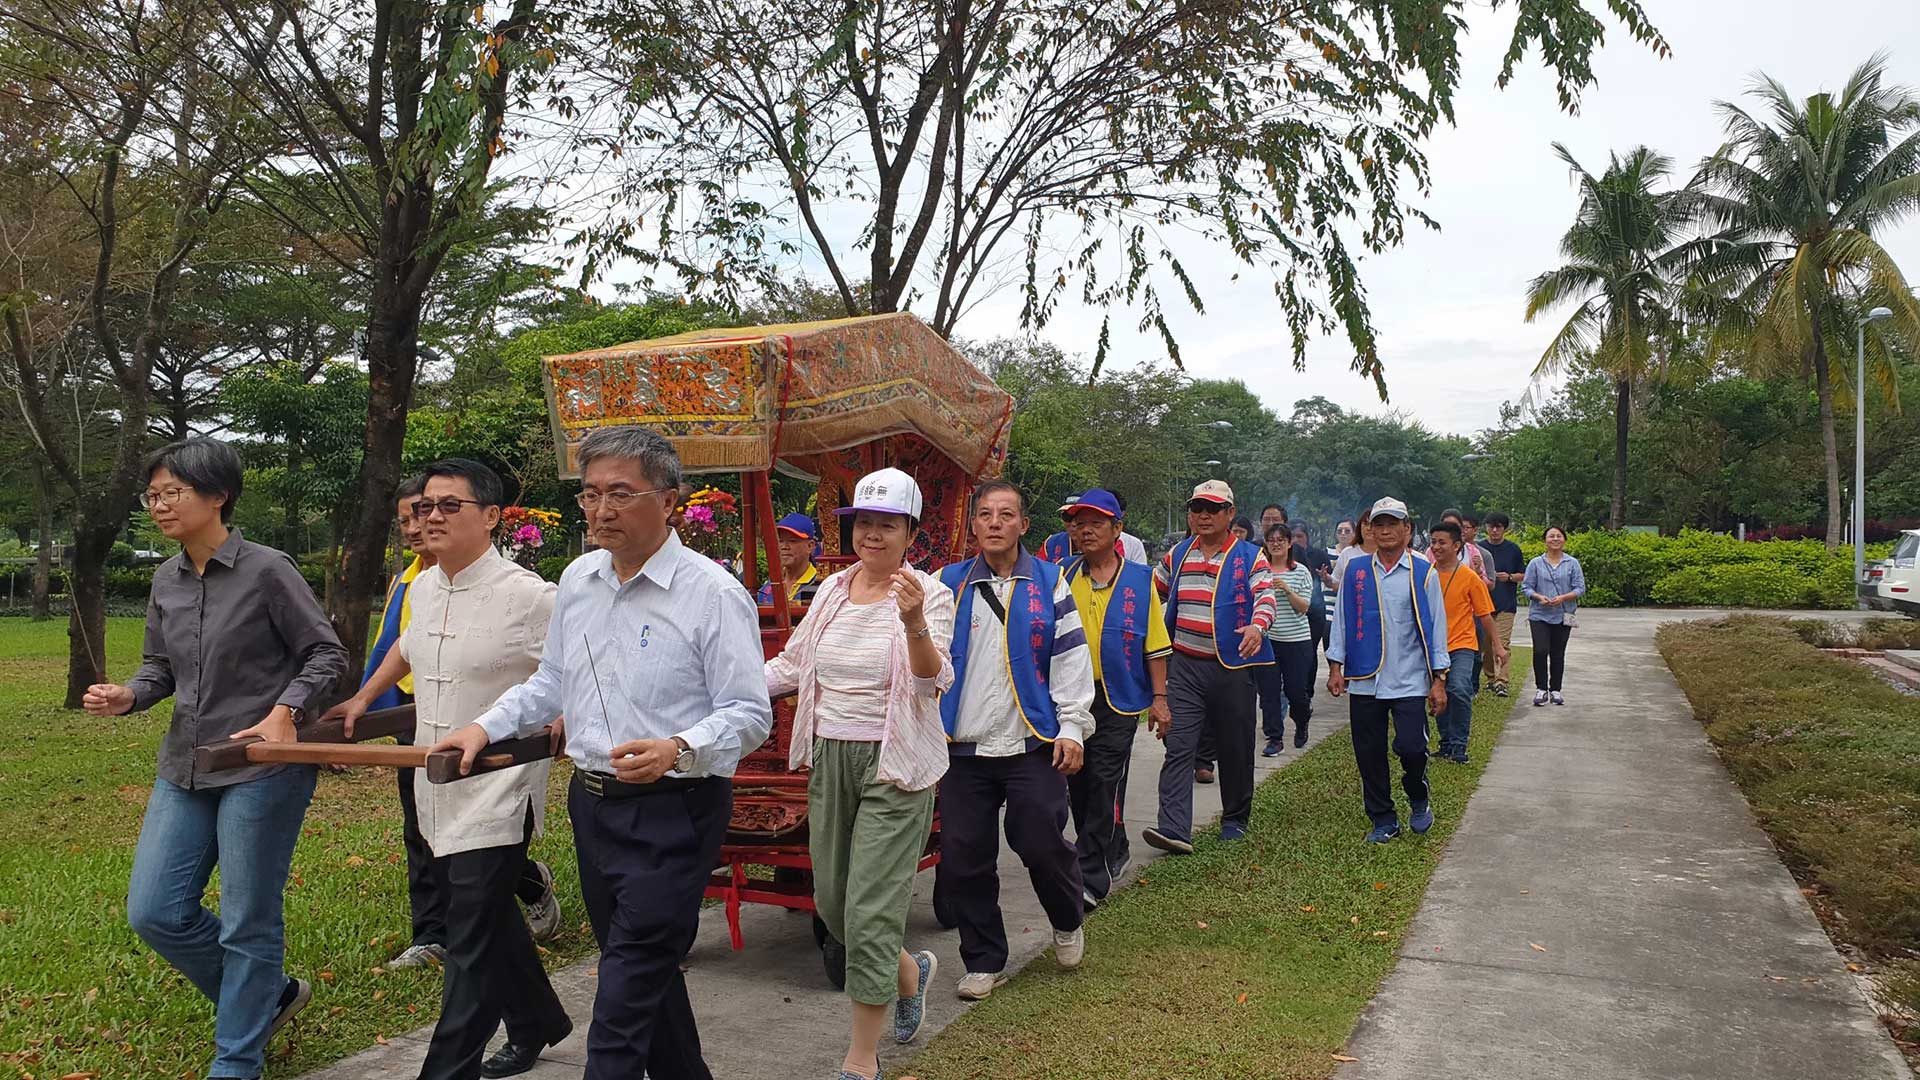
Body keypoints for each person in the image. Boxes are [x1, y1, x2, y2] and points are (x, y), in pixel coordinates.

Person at [434, 426, 774, 1080]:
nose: (600, 510)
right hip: (592, 808)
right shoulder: (579, 580)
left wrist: (679, 747)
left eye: (621, 493)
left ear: (671, 500)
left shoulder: (711, 593)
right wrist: (483, 727)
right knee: (642, 972)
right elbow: (552, 681)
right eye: (590, 495)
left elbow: (749, 713)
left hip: (677, 810)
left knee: (620, 1001)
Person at [84, 438, 347, 1080]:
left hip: (262, 763)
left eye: (171, 492)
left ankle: (237, 1061)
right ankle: (270, 996)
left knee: (246, 920)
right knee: (155, 911)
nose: (159, 505)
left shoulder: (268, 569)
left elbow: (326, 654)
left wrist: (287, 710)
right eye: (152, 495)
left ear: (217, 495)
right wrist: (130, 694)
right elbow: (157, 667)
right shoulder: (165, 579)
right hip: (187, 764)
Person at [330, 458, 571, 1080]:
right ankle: (539, 1019)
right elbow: (404, 648)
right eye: (423, 507)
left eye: (448, 506)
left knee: (468, 930)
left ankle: (446, 1070)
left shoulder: (533, 596)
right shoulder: (424, 586)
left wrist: (570, 714)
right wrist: (363, 697)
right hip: (433, 777)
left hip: (498, 781)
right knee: (486, 912)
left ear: (491, 517)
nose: (430, 516)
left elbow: (574, 670)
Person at [764, 468, 956, 1080]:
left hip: (896, 763)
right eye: (863, 523)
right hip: (830, 756)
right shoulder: (830, 591)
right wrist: (721, 693)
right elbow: (792, 665)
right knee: (832, 903)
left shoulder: (930, 593)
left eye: (886, 524)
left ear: (909, 531)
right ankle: (908, 972)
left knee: (870, 912)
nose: (872, 534)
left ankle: (861, 1057)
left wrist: (913, 620)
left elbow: (931, 681)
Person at [936, 480, 1096, 1001]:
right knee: (963, 857)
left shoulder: (1049, 582)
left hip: (1032, 741)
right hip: (962, 748)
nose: (995, 523)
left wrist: (1071, 727)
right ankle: (983, 959)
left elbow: (1071, 660)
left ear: (1024, 526)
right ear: (974, 525)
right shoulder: (948, 582)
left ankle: (1068, 917)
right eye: (985, 514)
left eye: (1007, 514)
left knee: (1041, 843)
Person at [1142, 480, 1277, 855]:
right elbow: (1154, 596)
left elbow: (1265, 595)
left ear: (1229, 514)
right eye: (1197, 507)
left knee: (1235, 747)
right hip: (1185, 666)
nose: (1203, 514)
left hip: (1232, 668)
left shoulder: (1251, 556)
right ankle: (1173, 829)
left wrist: (1257, 624)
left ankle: (1234, 818)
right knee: (1179, 745)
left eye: (1212, 508)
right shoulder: (1178, 554)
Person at [1057, 490, 1172, 909]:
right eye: (1078, 523)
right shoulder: (1062, 575)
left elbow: (1156, 646)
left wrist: (1159, 699)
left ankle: (1090, 876)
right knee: (1077, 782)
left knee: (1105, 780)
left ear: (1117, 530)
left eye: (1096, 523)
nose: (1085, 530)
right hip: (1070, 697)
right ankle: (1111, 846)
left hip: (1118, 697)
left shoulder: (1140, 581)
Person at [1326, 497, 1449, 845]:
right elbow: (1343, 622)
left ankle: (1418, 794)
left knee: (1411, 747)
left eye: (1393, 523)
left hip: (1410, 678)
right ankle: (1383, 818)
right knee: (1369, 753)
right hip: (1366, 679)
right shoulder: (1357, 570)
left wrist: (1439, 679)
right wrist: (1336, 666)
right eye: (1378, 524)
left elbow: (1438, 627)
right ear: (1370, 529)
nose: (1384, 530)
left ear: (1407, 529)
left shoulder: (1423, 572)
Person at [1427, 522, 1504, 765]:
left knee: (1459, 688)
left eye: (1442, 542)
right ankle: (1446, 742)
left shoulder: (1470, 577)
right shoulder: (1425, 575)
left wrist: (1499, 647)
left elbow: (1485, 616)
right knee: (1439, 694)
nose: (1436, 547)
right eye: (1433, 542)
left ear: (1457, 545)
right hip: (1434, 647)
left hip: (1463, 644)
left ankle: (1459, 745)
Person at [1257, 523, 1316, 756]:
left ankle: (1302, 721)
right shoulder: (1260, 570)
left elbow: (1304, 608)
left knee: (1296, 691)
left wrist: (1287, 590)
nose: (1276, 543)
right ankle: (1275, 738)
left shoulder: (1300, 571)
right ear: (1266, 544)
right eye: (1272, 539)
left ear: (1290, 543)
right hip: (1267, 640)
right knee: (1269, 692)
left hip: (1296, 640)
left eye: (1281, 539)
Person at [1524, 526, 1585, 707]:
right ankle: (1541, 689)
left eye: (1559, 536)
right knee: (1540, 650)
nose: (1555, 539)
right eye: (1551, 536)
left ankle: (1556, 690)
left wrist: (1563, 598)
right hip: (1539, 614)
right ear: (1545, 540)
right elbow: (1526, 587)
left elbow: (1580, 588)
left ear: (1564, 540)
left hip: (1563, 614)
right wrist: (1538, 597)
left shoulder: (1572, 563)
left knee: (1558, 653)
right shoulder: (1535, 563)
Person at [1479, 512, 1526, 697]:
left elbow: (1523, 574)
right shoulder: (1479, 549)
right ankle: (1490, 678)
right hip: (1484, 605)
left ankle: (1502, 681)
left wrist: (1510, 577)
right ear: (1486, 528)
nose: (1495, 530)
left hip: (1506, 604)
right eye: (1491, 526)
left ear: (1505, 529)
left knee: (1503, 643)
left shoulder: (1513, 549)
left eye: (1499, 526)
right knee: (1487, 645)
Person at [758, 511, 826, 607]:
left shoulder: (822, 586)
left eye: (792, 541)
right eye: (780, 541)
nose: (784, 547)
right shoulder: (768, 588)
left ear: (810, 546)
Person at [1291, 523, 1334, 653]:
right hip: (1291, 611)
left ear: (1307, 537)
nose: (1295, 540)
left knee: (1310, 650)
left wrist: (1325, 577)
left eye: (1299, 536)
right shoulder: (1282, 555)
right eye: (1292, 536)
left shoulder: (1319, 555)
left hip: (1315, 610)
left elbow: (1329, 579)